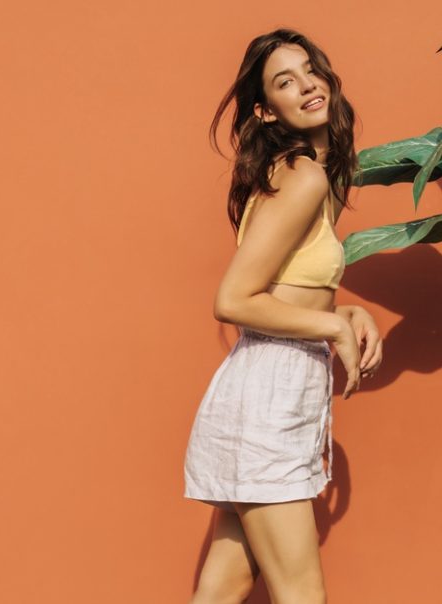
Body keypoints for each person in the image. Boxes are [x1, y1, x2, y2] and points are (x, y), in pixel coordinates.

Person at [183, 28, 383, 603]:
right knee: (301, 595)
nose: (306, 85)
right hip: (268, 398)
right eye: (284, 82)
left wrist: (346, 309)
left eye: (310, 70)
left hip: (270, 389)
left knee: (223, 591)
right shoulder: (302, 175)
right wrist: (332, 326)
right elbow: (234, 300)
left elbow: (286, 290)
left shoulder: (308, 176)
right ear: (267, 111)